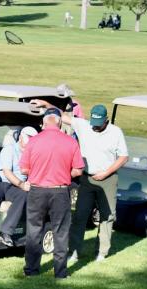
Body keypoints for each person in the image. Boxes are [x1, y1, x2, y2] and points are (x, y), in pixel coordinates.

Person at [34, 101, 129, 262]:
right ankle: (74, 251)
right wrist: (45, 103)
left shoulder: (116, 132)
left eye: (99, 124)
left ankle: (102, 252)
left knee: (107, 215)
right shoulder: (84, 125)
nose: (95, 127)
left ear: (106, 120)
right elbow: (62, 116)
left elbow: (123, 157)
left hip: (108, 179)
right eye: (94, 123)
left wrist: (107, 172)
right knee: (80, 215)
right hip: (86, 178)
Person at [19, 107, 84, 279]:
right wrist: (64, 172)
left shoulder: (33, 141)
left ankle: (31, 270)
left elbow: (24, 168)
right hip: (60, 191)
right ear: (60, 121)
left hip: (37, 191)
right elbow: (78, 170)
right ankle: (60, 272)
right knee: (61, 232)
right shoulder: (70, 142)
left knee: (34, 230)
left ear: (44, 122)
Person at [0, 126, 38, 246]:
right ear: (21, 136)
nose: (32, 141)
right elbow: (7, 172)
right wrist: (22, 184)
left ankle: (5, 231)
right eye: (30, 138)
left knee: (24, 195)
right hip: (0, 183)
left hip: (16, 188)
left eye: (34, 139)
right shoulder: (10, 149)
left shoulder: (32, 154)